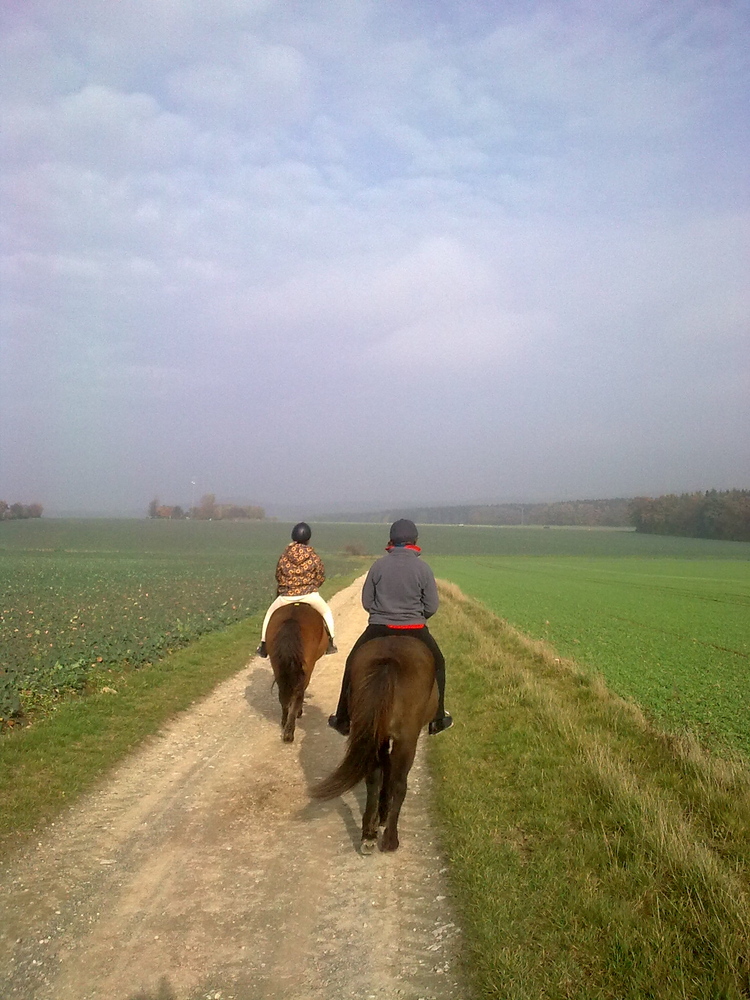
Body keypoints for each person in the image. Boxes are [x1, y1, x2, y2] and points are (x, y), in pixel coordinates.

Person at [328, 518, 453, 736]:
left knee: (352, 662)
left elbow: (367, 601)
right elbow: (432, 605)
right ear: (414, 540)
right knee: (439, 662)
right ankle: (438, 718)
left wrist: (381, 614)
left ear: (391, 541)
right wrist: (416, 617)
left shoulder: (378, 566)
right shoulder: (423, 568)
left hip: (379, 628)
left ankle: (343, 717)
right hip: (415, 629)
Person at [256, 522, 337, 657]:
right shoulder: (314, 556)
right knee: (326, 612)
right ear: (308, 539)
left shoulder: (284, 556)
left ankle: (263, 645)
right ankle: (330, 643)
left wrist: (286, 586)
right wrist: (313, 586)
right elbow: (321, 575)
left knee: (269, 614)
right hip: (309, 595)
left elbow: (278, 575)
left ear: (293, 537)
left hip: (286, 596)